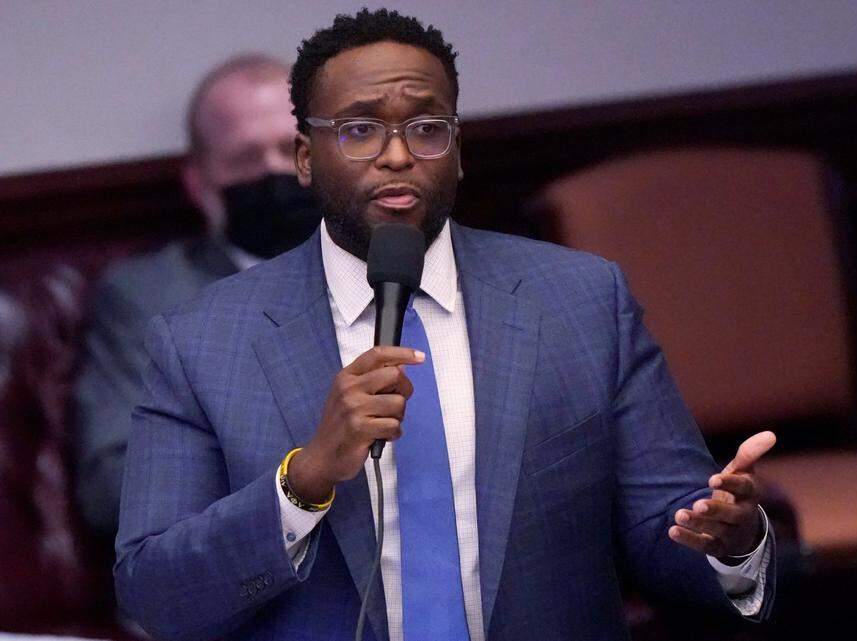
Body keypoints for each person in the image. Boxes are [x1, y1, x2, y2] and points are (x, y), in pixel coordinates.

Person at [115, 9, 781, 641]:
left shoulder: (580, 302)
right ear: (305, 156)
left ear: (458, 150)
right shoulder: (202, 340)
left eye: (427, 127)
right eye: (360, 129)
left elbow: (669, 527)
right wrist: (305, 479)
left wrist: (731, 543)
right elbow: (156, 594)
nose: (398, 155)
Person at [73, 54, 321, 540]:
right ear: (199, 183)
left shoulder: (387, 267)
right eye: (245, 158)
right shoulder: (149, 296)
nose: (274, 171)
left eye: (291, 149)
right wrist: (301, 467)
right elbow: (110, 485)